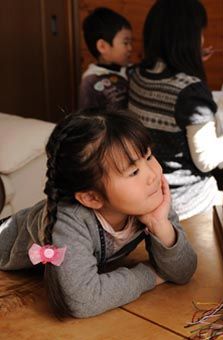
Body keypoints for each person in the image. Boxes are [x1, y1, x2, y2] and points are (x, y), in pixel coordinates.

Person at [0, 110, 197, 318]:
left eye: (148, 156)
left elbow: (183, 272)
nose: (152, 175)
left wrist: (160, 225)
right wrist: (150, 275)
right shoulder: (68, 220)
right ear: (91, 198)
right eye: (133, 172)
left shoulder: (149, 198)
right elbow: (82, 300)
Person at [129, 0, 223, 220]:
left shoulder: (136, 75)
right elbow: (207, 159)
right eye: (200, 34)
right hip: (184, 203)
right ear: (188, 39)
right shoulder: (189, 91)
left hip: (146, 194)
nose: (202, 40)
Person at [79, 7, 133, 111]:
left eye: (131, 42)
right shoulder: (90, 82)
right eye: (126, 43)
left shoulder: (130, 70)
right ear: (102, 46)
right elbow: (87, 118)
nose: (130, 48)